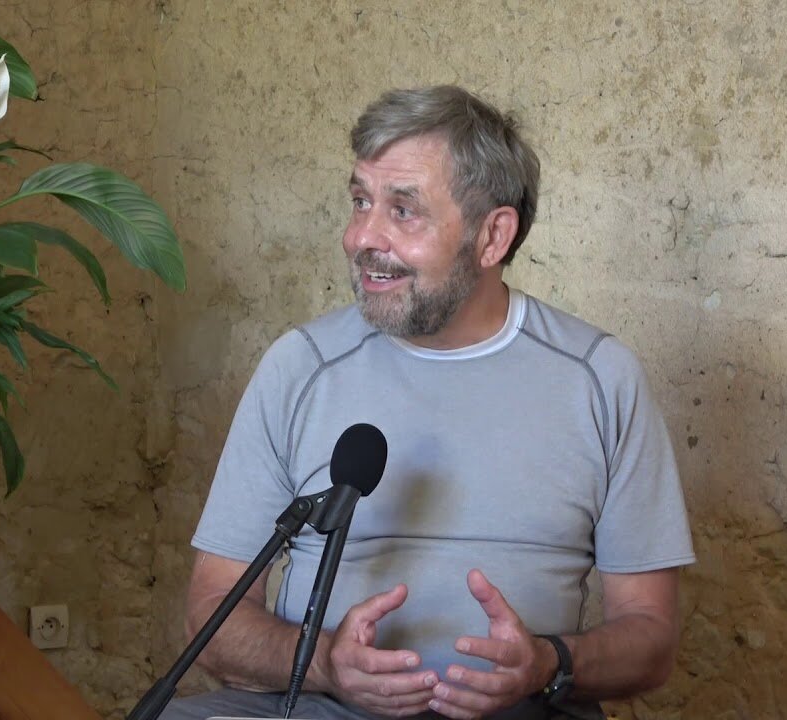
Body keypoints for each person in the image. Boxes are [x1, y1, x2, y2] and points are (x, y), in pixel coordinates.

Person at [161, 85, 695, 720]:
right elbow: (212, 615)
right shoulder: (299, 367)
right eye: (361, 201)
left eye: (403, 210)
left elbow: (651, 640)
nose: (362, 237)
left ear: (492, 236)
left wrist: (548, 663)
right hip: (318, 707)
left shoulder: (600, 379)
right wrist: (326, 663)